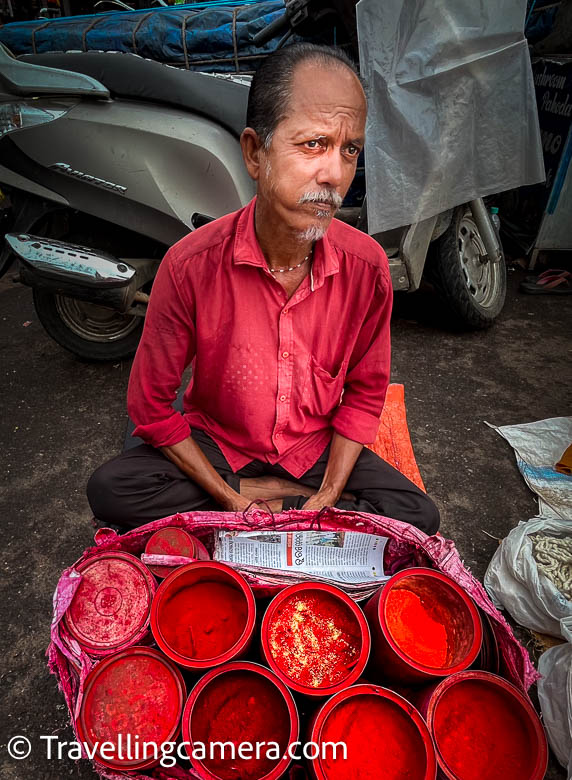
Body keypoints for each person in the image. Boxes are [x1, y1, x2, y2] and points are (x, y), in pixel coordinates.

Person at [87, 43, 440, 535]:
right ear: (255, 152)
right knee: (111, 490)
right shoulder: (190, 266)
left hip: (312, 450)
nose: (335, 175)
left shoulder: (367, 267)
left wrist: (328, 493)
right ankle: (260, 496)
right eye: (313, 144)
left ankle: (288, 499)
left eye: (349, 149)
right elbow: (150, 406)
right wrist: (233, 498)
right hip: (219, 443)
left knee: (420, 516)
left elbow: (364, 393)